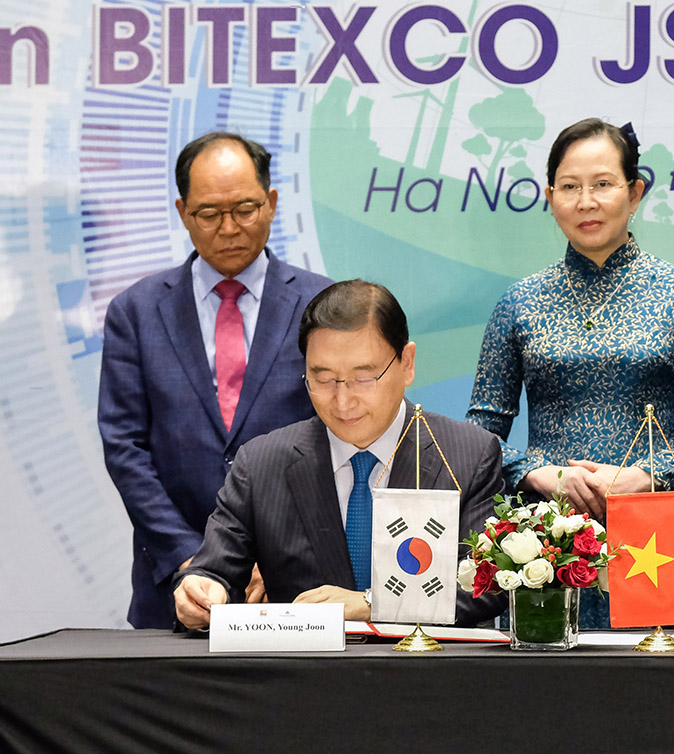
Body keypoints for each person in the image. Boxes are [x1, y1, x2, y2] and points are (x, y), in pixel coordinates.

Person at [466, 117, 674, 627]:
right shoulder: (519, 301)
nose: (586, 201)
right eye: (569, 187)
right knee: (543, 684)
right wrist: (539, 473)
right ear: (550, 198)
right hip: (542, 538)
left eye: (603, 184)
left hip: (651, 533)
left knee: (651, 687)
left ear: (635, 193)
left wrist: (647, 475)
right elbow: (478, 437)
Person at [98, 132, 331, 628]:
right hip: (173, 589)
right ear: (183, 212)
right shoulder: (136, 312)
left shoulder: (326, 307)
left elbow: (343, 434)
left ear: (270, 202)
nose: (229, 228)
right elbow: (125, 448)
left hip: (296, 587)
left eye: (245, 208)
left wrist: (280, 554)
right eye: (208, 213)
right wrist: (192, 561)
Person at [174, 280, 505, 628]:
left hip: (426, 674)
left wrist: (372, 603)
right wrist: (200, 591)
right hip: (305, 676)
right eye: (324, 379)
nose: (343, 401)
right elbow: (214, 570)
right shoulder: (261, 464)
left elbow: (484, 587)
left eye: (364, 378)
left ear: (407, 363)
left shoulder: (468, 455)